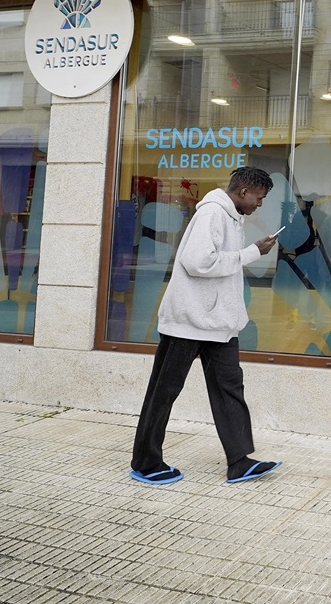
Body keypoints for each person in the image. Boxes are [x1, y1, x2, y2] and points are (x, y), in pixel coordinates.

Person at [129, 166, 282, 486]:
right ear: (243, 192)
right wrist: (253, 252)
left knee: (231, 390)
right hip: (188, 322)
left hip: (219, 324)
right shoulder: (212, 214)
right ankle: (145, 462)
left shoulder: (232, 217)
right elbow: (198, 262)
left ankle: (239, 461)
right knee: (163, 392)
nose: (260, 204)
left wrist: (247, 252)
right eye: (259, 197)